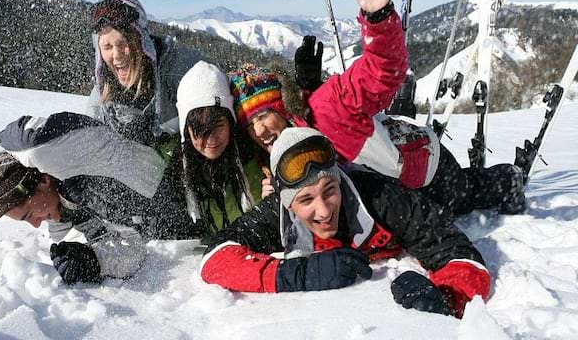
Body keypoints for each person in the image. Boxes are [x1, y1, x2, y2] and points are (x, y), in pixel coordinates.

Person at [228, 0, 525, 216]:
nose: (260, 130)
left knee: (466, 196)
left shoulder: (329, 106)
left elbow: (382, 71)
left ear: (282, 106)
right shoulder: (271, 158)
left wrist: (378, 16)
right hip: (389, 188)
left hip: (420, 166)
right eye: (250, 124)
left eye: (262, 115)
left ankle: (508, 180)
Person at [200, 128, 490, 318]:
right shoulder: (275, 213)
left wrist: (448, 296)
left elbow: (454, 247)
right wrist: (298, 274)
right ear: (287, 203)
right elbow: (214, 258)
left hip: (433, 184)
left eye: (330, 190)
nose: (324, 211)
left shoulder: (381, 198)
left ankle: (507, 180)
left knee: (468, 193)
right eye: (306, 200)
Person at [0, 111, 203, 284]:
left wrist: (96, 261)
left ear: (44, 180)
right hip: (170, 213)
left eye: (29, 215)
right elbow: (103, 239)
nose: (36, 224)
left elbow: (31, 143)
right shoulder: (66, 200)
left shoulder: (82, 175)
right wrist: (91, 258)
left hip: (191, 199)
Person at [86, 0, 204, 148]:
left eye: (124, 43)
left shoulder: (178, 68)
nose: (116, 55)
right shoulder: (100, 103)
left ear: (142, 42)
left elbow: (219, 87)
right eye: (107, 47)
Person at [174, 60, 262, 233]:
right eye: (201, 130)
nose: (211, 139)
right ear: (186, 130)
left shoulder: (254, 155)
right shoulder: (176, 173)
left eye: (218, 125)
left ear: (230, 122)